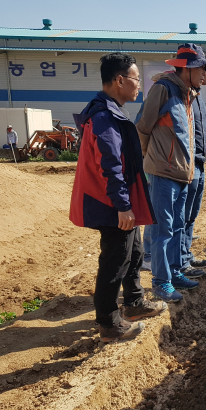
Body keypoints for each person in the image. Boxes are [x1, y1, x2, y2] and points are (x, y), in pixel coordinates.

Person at [69, 53, 166, 342]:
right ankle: (109, 323)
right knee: (115, 260)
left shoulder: (109, 111)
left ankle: (134, 303)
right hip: (109, 203)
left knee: (133, 252)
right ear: (119, 80)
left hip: (118, 201)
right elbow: (110, 165)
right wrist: (123, 207)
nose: (139, 86)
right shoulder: (104, 116)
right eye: (136, 80)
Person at [136, 43, 206, 301]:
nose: (204, 73)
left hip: (182, 174)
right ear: (187, 68)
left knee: (177, 225)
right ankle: (160, 282)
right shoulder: (163, 90)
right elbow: (142, 128)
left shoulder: (187, 94)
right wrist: (151, 160)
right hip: (164, 173)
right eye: (201, 67)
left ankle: (176, 271)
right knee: (162, 230)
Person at [180, 51, 206, 277]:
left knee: (191, 214)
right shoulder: (175, 94)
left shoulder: (197, 95)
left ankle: (186, 254)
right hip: (186, 165)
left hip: (199, 163)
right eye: (204, 69)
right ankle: (180, 262)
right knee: (180, 217)